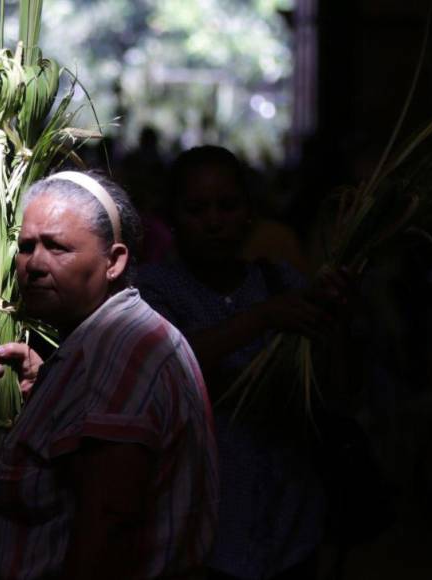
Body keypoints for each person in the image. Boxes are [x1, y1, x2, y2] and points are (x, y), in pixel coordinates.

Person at [0, 170, 219, 580]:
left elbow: (107, 528)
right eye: (25, 247)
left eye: (58, 247)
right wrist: (48, 384)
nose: (34, 264)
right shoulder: (101, 344)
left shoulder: (123, 350)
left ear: (114, 261)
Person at [137, 146, 350, 580]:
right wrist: (262, 318)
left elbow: (337, 382)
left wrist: (339, 316)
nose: (214, 221)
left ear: (250, 212)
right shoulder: (153, 290)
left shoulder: (281, 281)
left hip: (289, 522)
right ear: (172, 218)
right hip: (200, 533)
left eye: (228, 206)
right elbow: (167, 364)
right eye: (197, 209)